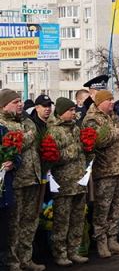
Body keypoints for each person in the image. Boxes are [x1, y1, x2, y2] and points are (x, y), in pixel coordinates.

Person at [81, 90, 119, 258]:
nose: (112, 102)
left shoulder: (115, 116)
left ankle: (113, 239)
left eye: (112, 99)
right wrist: (114, 134)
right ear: (100, 102)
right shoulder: (92, 119)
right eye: (108, 100)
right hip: (104, 171)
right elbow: (95, 141)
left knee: (117, 207)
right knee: (103, 208)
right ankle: (101, 242)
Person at [0, 90, 44, 271]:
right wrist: (30, 136)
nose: (20, 105)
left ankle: (26, 259)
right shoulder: (3, 123)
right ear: (4, 106)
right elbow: (14, 144)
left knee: (30, 222)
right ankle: (13, 261)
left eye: (20, 101)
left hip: (32, 178)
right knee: (13, 225)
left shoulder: (27, 121)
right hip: (16, 181)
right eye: (15, 102)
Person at [47, 98, 89, 266]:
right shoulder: (53, 131)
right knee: (62, 221)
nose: (74, 113)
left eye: (74, 110)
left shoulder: (76, 128)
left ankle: (74, 250)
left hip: (79, 180)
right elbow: (53, 156)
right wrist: (76, 149)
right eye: (70, 110)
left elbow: (83, 152)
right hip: (63, 183)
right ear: (61, 111)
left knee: (78, 219)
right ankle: (60, 253)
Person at [0, 121, 22, 271]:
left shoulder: (3, 131)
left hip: (3, 195)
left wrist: (13, 164)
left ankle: (2, 262)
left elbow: (17, 155)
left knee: (2, 233)